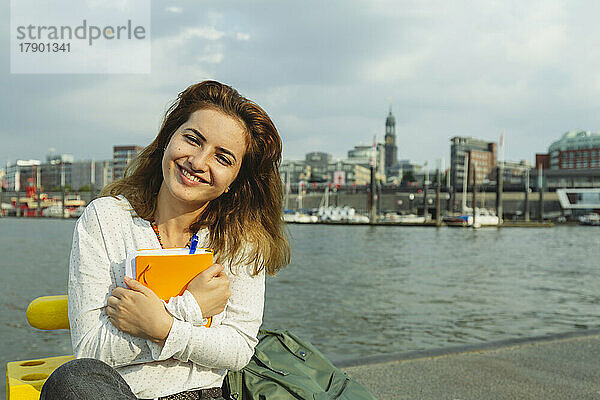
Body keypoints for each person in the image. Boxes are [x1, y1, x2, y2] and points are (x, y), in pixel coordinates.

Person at [40, 80, 290, 400]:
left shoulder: (241, 240)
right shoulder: (105, 219)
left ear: (234, 181)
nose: (198, 162)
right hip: (117, 393)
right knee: (72, 380)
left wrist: (162, 327)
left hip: (204, 393)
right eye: (192, 139)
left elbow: (238, 349)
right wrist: (190, 308)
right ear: (168, 138)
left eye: (223, 158)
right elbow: (92, 351)